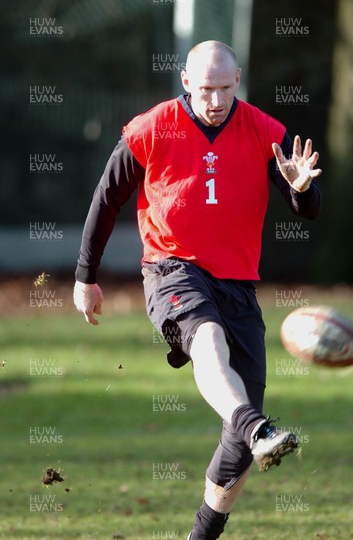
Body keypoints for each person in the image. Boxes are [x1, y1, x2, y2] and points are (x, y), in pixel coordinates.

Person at [73, 40, 322, 540]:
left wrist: (300, 191)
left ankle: (203, 532)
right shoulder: (153, 127)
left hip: (238, 284)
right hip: (172, 269)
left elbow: (308, 208)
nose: (214, 100)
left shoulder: (263, 131)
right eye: (204, 89)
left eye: (224, 89)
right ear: (186, 82)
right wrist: (85, 275)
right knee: (207, 338)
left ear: (238, 81)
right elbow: (108, 196)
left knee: (239, 434)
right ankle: (256, 427)